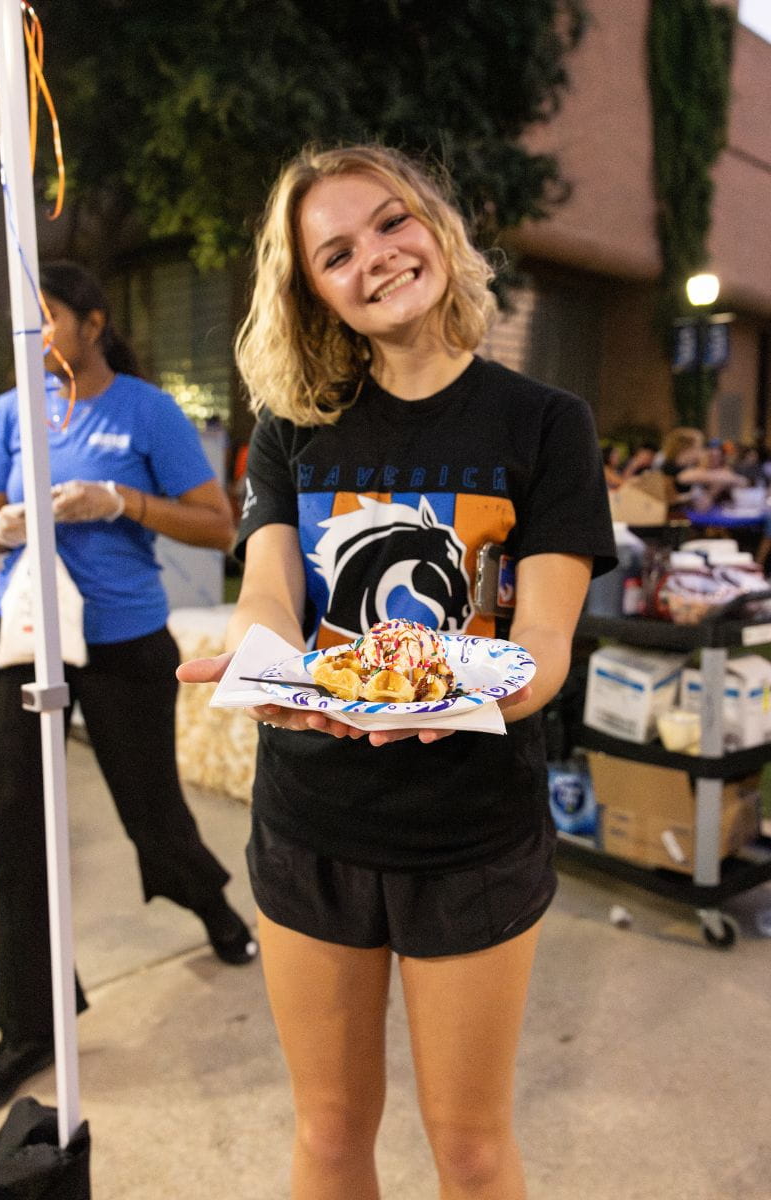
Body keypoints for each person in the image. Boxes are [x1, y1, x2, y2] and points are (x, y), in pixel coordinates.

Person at [178, 144, 616, 1199]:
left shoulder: (543, 423)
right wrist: (263, 658)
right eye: (334, 252)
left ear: (433, 224)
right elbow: (270, 593)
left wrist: (486, 689)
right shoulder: (293, 427)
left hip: (470, 831)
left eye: (387, 222)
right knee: (328, 1134)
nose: (372, 258)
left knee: (467, 1149)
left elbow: (546, 644)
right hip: (310, 819)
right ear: (310, 289)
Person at [0, 261, 257, 1120]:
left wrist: (122, 501)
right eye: (27, 320)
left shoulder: (146, 410)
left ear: (92, 322)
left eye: (49, 316)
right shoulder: (12, 410)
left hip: (123, 637)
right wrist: (3, 525)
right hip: (21, 633)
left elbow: (219, 522)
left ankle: (207, 901)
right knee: (17, 827)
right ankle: (27, 1027)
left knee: (150, 808)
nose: (37, 334)